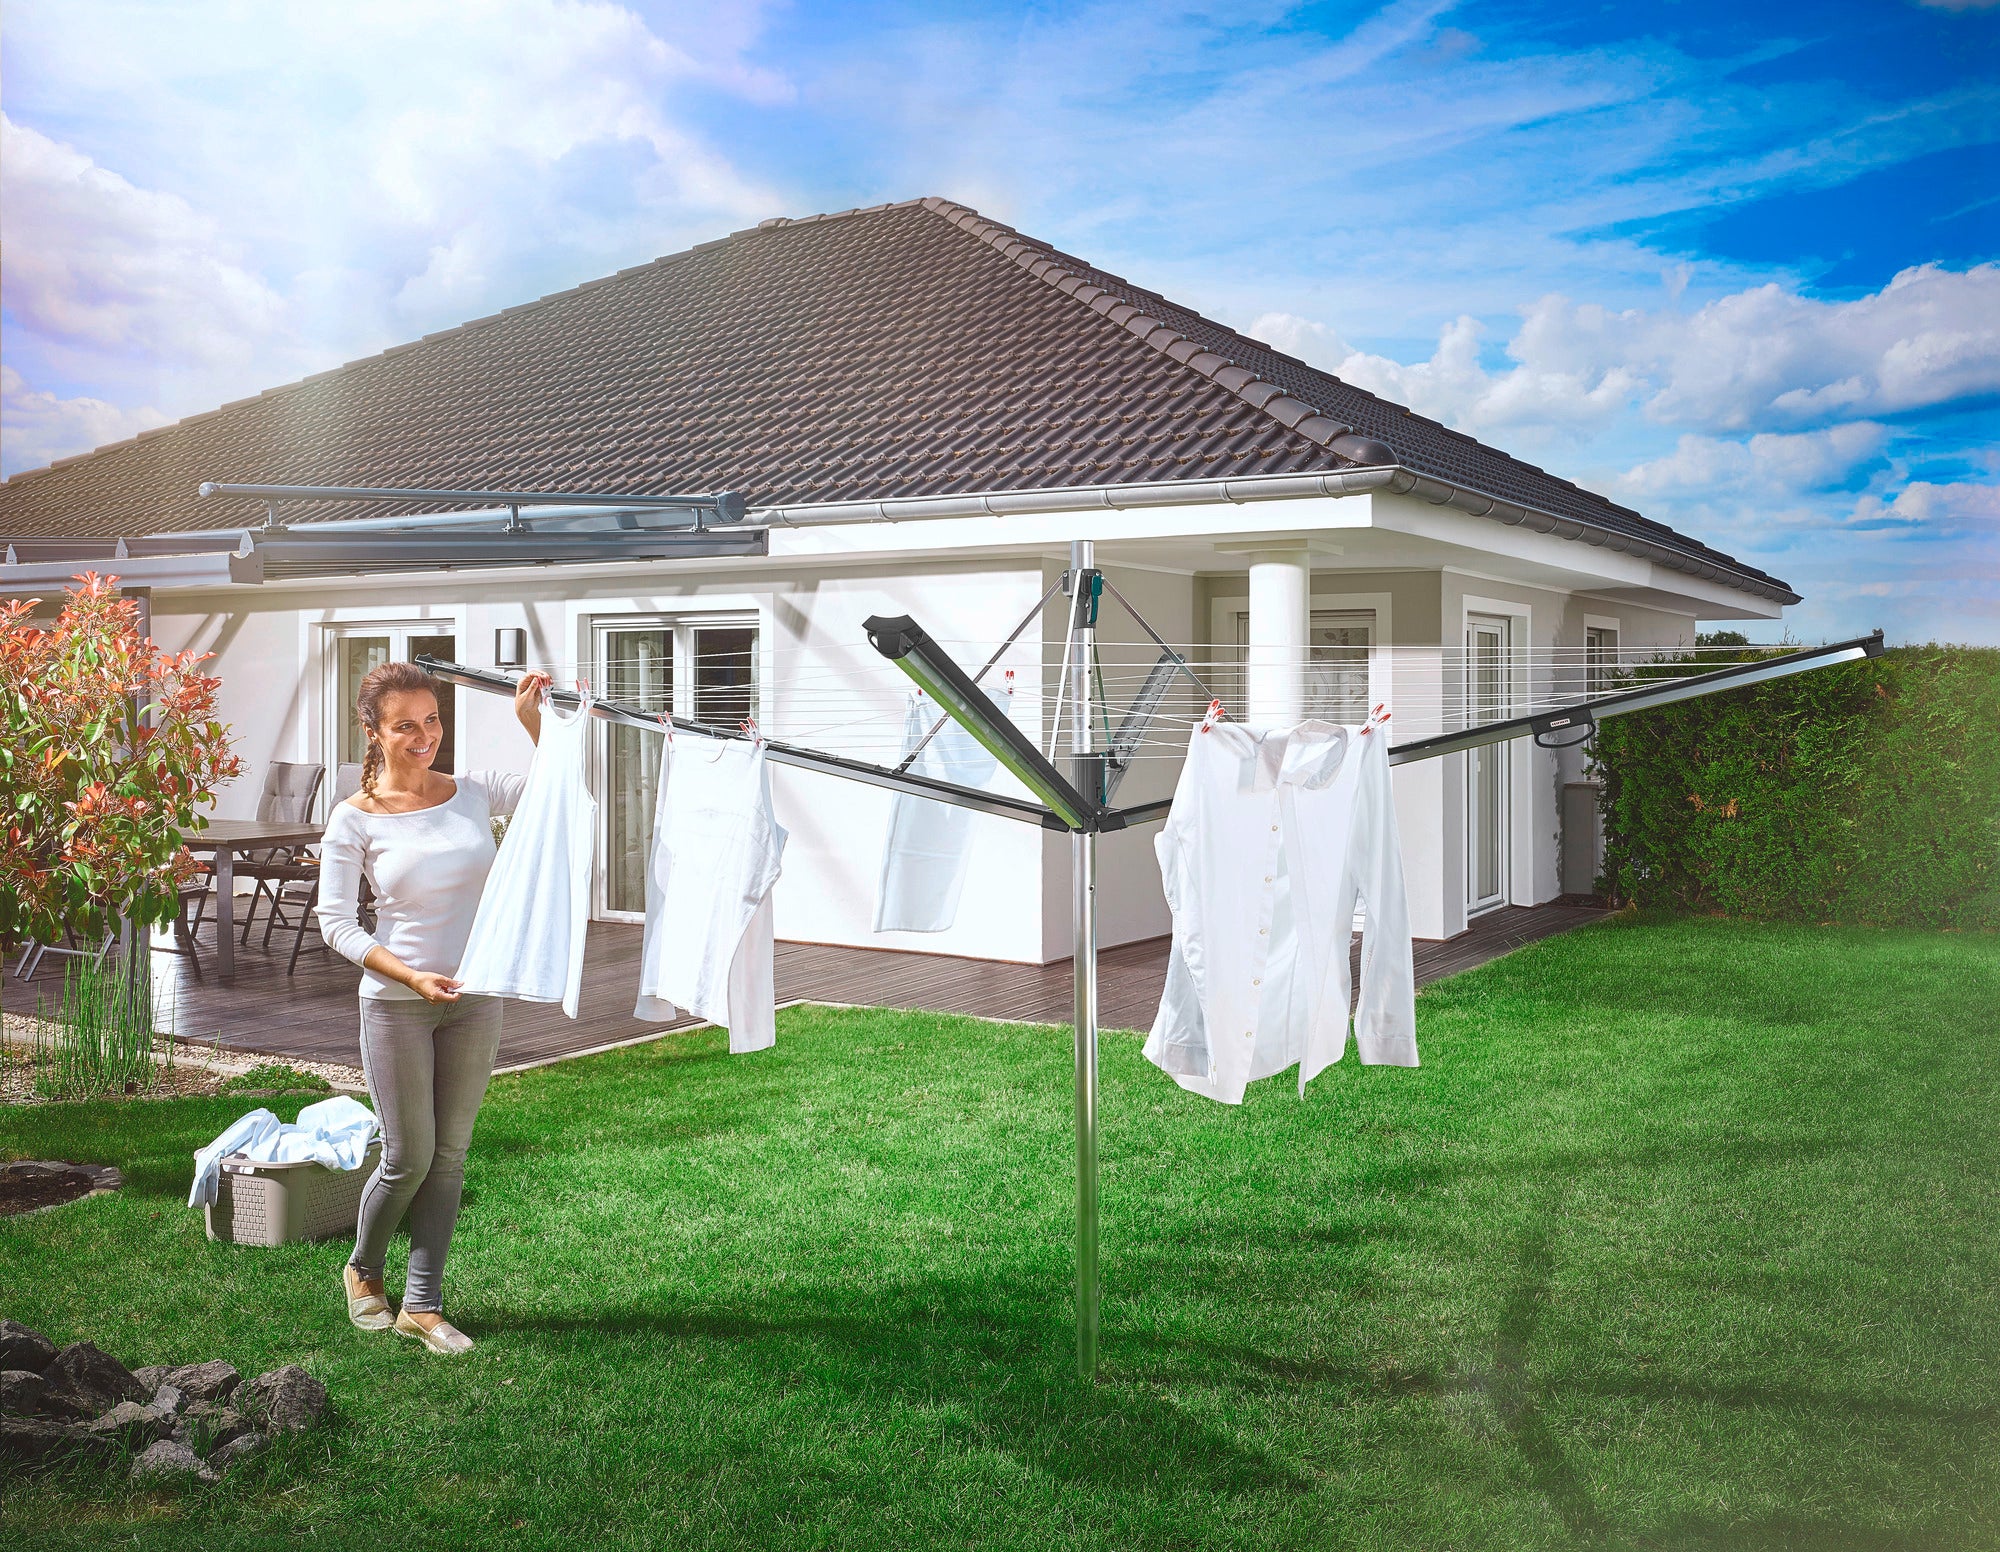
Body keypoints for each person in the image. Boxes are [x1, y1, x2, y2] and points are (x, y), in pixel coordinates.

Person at [316, 660, 549, 1355]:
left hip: (476, 998)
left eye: (433, 720)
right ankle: (363, 1269)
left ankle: (423, 1304)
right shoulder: (354, 818)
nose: (425, 736)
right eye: (405, 725)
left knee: (449, 1156)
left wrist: (534, 726)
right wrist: (412, 977)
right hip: (397, 1004)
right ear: (373, 732)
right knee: (408, 1157)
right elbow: (337, 924)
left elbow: (562, 797)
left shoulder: (473, 792)